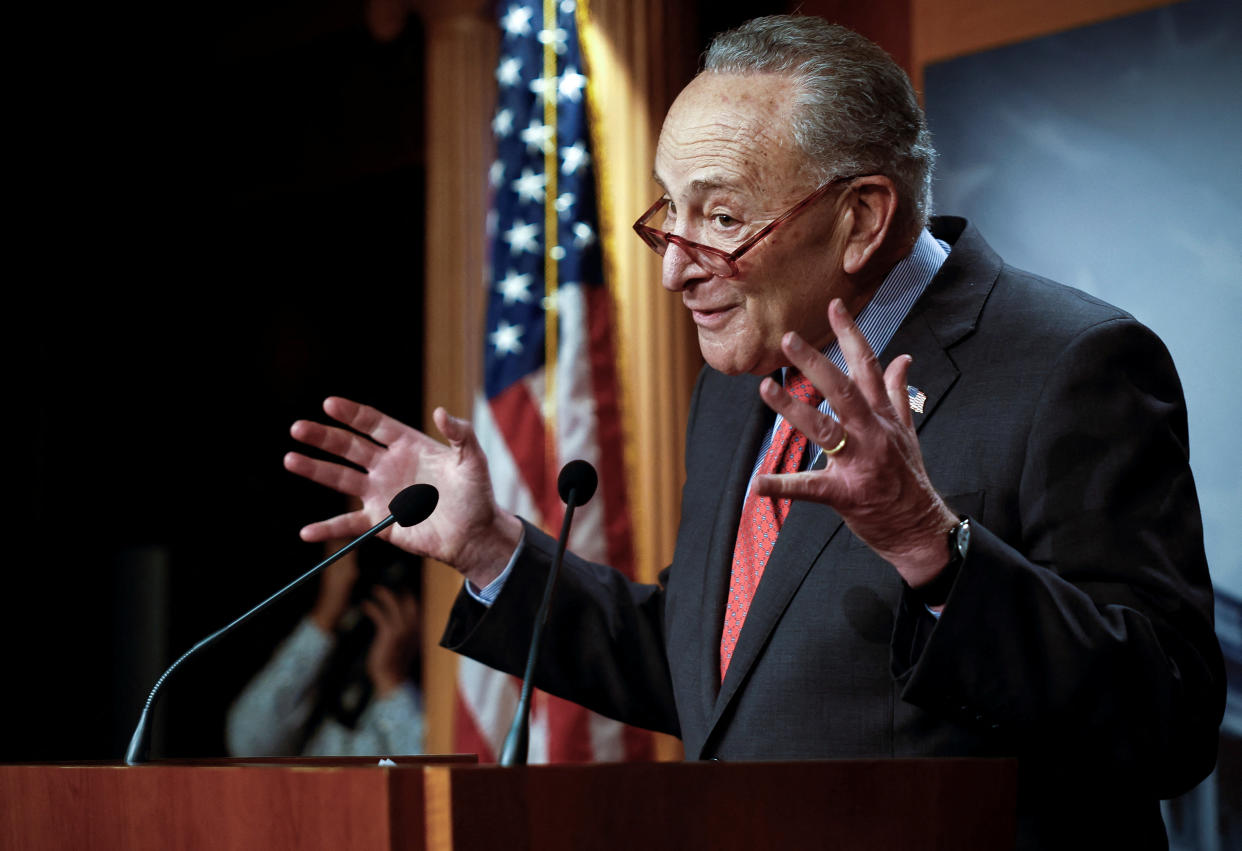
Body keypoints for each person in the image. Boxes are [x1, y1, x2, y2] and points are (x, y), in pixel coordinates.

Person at [281, 15, 1223, 848]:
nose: (674, 272)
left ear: (861, 219)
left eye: (721, 216)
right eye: (670, 211)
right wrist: (492, 550)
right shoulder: (740, 386)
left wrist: (934, 551)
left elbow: (1170, 718)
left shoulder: (1074, 364)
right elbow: (718, 671)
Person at [225, 553, 425, 757]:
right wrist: (324, 617)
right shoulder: (332, 649)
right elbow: (250, 742)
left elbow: (441, 772)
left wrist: (391, 680)